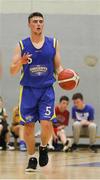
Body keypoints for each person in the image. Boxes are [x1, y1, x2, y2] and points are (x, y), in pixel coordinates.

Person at [10, 12, 63, 171]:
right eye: (35, 21)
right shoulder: (21, 45)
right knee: (29, 127)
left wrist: (68, 76)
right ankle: (31, 157)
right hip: (28, 91)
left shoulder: (53, 43)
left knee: (47, 123)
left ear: (43, 24)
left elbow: (58, 67)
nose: (38, 24)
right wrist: (21, 61)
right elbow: (12, 70)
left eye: (41, 21)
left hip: (46, 90)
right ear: (29, 24)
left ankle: (44, 147)